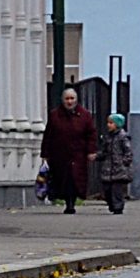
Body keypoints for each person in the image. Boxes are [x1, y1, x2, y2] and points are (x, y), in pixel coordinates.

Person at [40, 84, 98, 215]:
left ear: (76, 100)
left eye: (72, 98)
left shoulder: (85, 115)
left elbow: (91, 134)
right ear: (63, 100)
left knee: (75, 179)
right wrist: (45, 154)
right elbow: (48, 135)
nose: (69, 101)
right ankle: (67, 201)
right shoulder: (55, 115)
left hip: (78, 154)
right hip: (60, 154)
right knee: (62, 180)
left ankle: (71, 202)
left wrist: (91, 150)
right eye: (67, 99)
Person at [97, 113, 135, 214]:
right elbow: (105, 151)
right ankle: (112, 204)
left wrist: (125, 162)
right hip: (108, 168)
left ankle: (118, 206)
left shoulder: (123, 137)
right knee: (107, 189)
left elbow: (128, 151)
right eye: (108, 123)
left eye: (111, 123)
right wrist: (97, 156)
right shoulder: (108, 137)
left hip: (119, 168)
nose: (108, 125)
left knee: (117, 190)